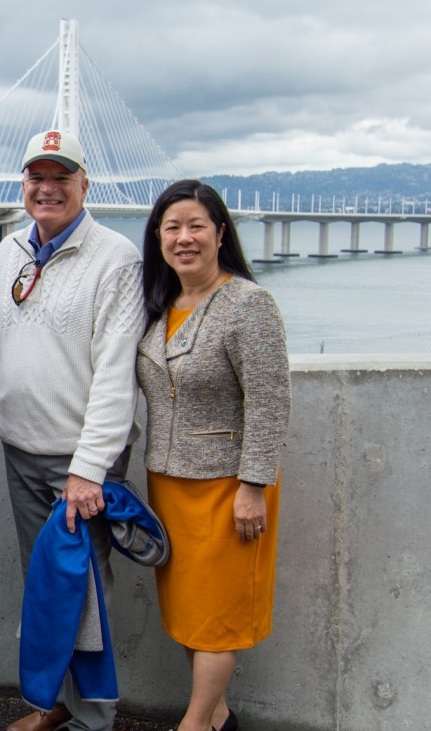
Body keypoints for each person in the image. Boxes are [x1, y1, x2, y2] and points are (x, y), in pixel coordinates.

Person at [0, 130, 144, 731]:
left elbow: (117, 378)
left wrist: (89, 469)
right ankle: (55, 703)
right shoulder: (10, 250)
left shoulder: (116, 259)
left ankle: (93, 716)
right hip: (20, 450)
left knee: (83, 590)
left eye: (61, 177)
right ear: (23, 186)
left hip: (78, 462)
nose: (48, 188)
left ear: (83, 185)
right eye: (37, 177)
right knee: (46, 589)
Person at [136, 180, 289, 731]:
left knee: (218, 619)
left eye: (196, 225)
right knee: (189, 614)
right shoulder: (159, 305)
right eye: (172, 227)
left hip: (229, 489)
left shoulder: (249, 304)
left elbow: (270, 403)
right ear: (158, 237)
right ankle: (219, 717)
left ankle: (195, 724)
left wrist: (254, 486)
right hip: (169, 484)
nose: (184, 238)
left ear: (220, 233)